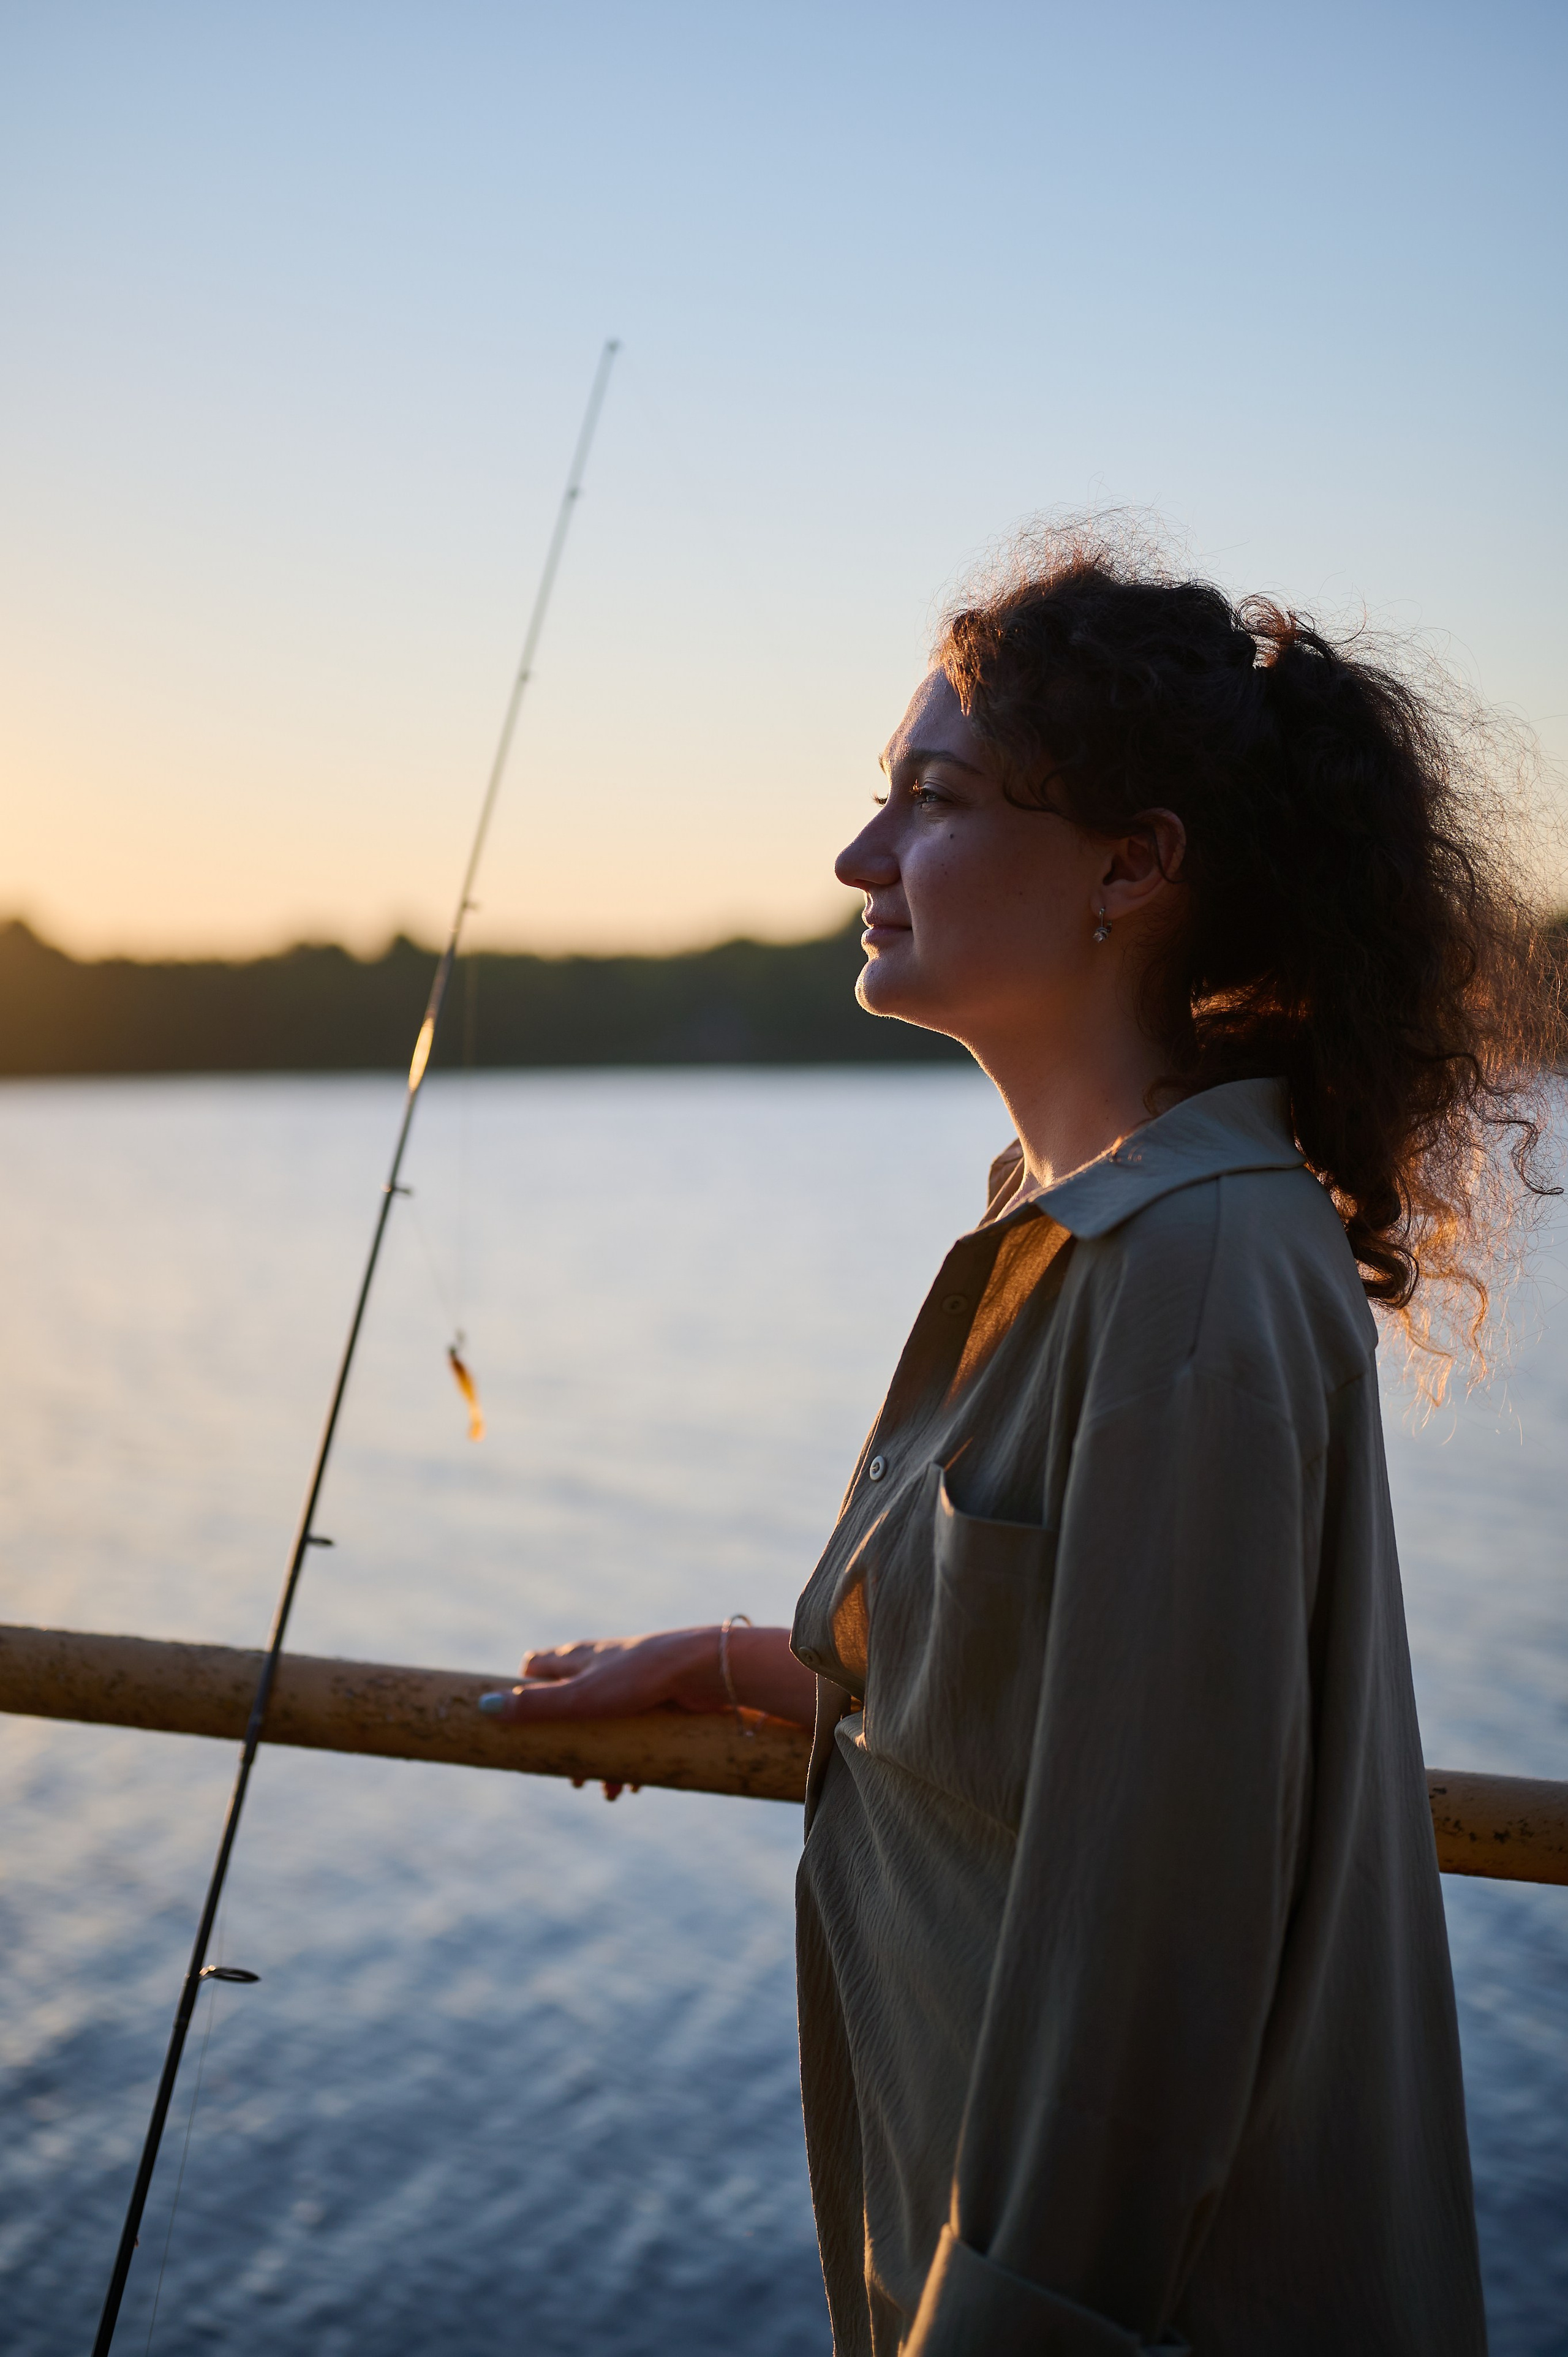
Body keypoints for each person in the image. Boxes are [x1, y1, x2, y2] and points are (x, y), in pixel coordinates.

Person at [481, 523, 1557, 2353]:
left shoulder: (1194, 1270)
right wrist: (739, 1661)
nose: (859, 857)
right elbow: (1057, 1702)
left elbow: (1157, 1940)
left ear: (1132, 865)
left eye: (934, 799)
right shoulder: (1079, 1226)